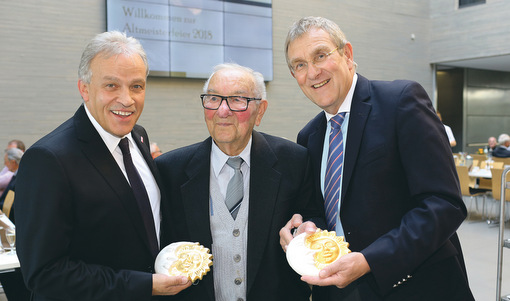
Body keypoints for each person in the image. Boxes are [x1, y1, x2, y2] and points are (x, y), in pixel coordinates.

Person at [280, 16, 474, 300]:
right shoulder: (309, 136)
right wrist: (306, 228)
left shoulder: (401, 101)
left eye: (320, 56)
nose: (312, 72)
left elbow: (444, 204)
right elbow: (324, 210)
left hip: (417, 287)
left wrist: (371, 260)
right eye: (299, 65)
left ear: (347, 54)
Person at [14, 31, 191, 301]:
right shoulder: (48, 160)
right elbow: (45, 274)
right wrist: (144, 285)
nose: (127, 99)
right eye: (111, 85)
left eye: (136, 86)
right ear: (84, 88)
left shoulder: (138, 136)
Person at [155, 63, 316, 301]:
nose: (222, 110)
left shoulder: (294, 161)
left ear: (260, 111)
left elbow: (314, 218)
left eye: (237, 99)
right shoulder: (170, 170)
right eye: (213, 98)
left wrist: (306, 229)